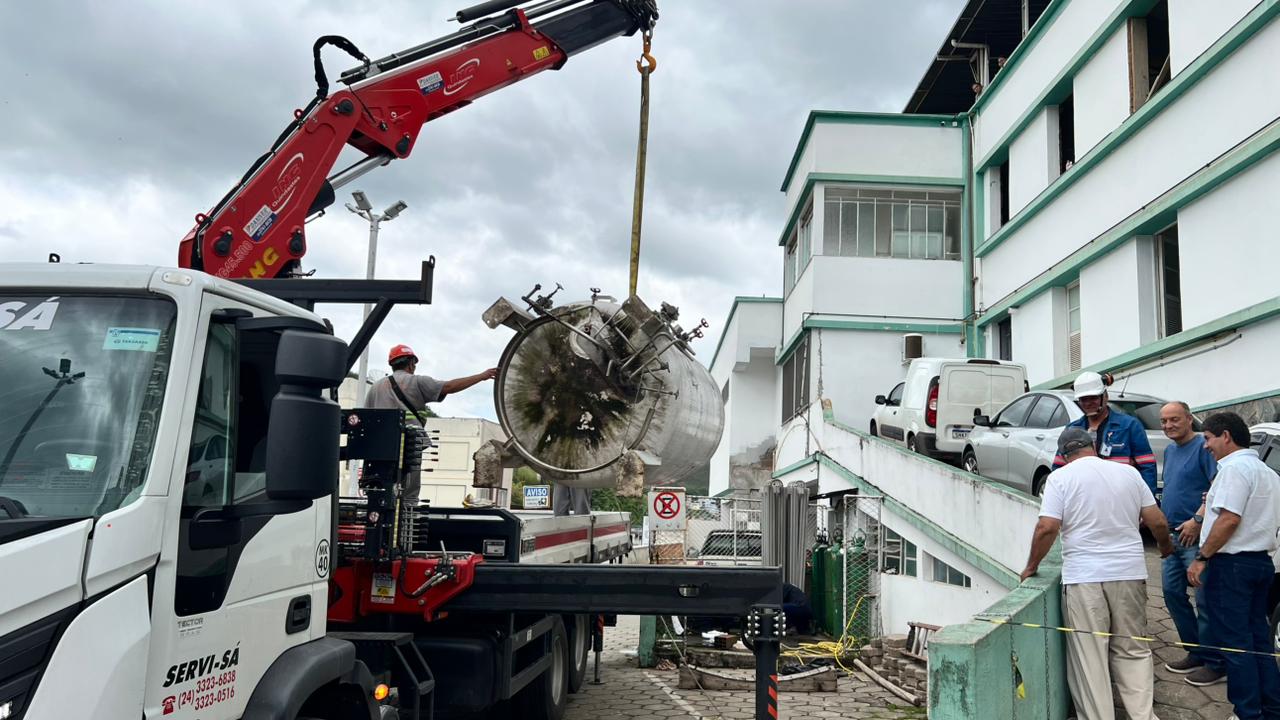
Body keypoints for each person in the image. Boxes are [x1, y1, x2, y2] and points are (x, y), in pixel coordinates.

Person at [1022, 427, 1174, 720]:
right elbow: (1157, 521)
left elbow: (1047, 527)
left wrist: (1031, 567)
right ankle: (1143, 716)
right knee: (1133, 649)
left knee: (1090, 655)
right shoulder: (1128, 473)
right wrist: (1166, 548)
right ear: (1093, 446)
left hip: (1084, 577)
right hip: (1129, 573)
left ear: (1064, 455)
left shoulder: (1060, 478)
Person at [1187, 412, 1280, 720]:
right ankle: (1270, 709)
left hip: (1233, 566)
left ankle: (1247, 712)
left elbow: (1229, 518)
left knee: (1237, 646)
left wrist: (1201, 559)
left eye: (1208, 439)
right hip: (1260, 564)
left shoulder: (1234, 470)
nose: (1205, 446)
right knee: (1257, 642)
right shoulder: (1269, 473)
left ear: (1225, 436)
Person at [365, 343, 497, 504]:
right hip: (409, 446)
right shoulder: (416, 382)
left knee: (379, 492)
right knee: (408, 498)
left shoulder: (375, 387)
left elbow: (366, 419)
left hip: (378, 450)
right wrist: (481, 376)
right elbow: (449, 386)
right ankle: (406, 517)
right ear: (411, 363)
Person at [1156, 401, 1223, 686]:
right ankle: (1196, 651)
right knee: (1171, 593)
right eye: (1164, 421)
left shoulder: (1202, 448)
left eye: (1175, 420)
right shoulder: (1170, 450)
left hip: (1194, 536)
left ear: (1188, 419)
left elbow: (1217, 487)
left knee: (1205, 601)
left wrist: (1197, 520)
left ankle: (1216, 662)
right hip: (1172, 535)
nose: (1169, 425)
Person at [1053, 371, 1158, 495]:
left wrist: (1146, 501)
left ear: (1105, 396)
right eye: (1083, 399)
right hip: (1084, 498)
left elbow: (1147, 466)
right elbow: (1058, 469)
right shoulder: (1072, 430)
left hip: (1122, 498)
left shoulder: (1129, 426)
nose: (1088, 403)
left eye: (1093, 398)